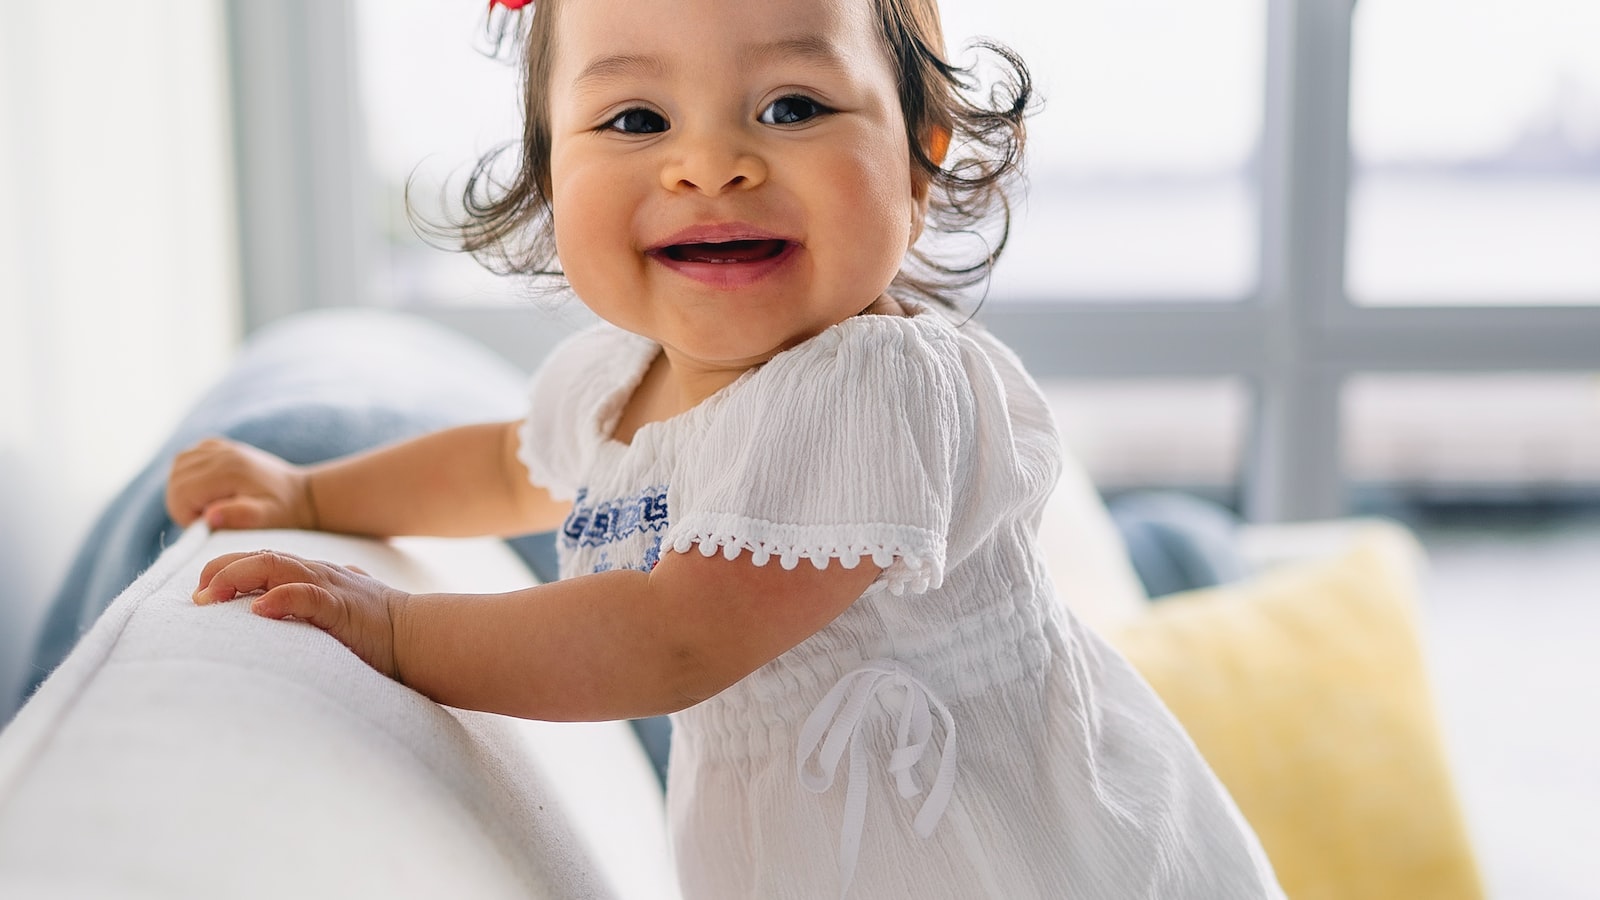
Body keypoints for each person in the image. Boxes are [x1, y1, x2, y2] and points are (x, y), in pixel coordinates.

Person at [167, 0, 1284, 896]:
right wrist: (310, 487)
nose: (709, 164)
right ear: (552, 168)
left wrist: (396, 630)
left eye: (793, 104)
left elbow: (673, 639)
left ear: (920, 153)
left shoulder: (879, 387)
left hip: (1020, 854)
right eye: (636, 120)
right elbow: (500, 467)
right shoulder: (614, 385)